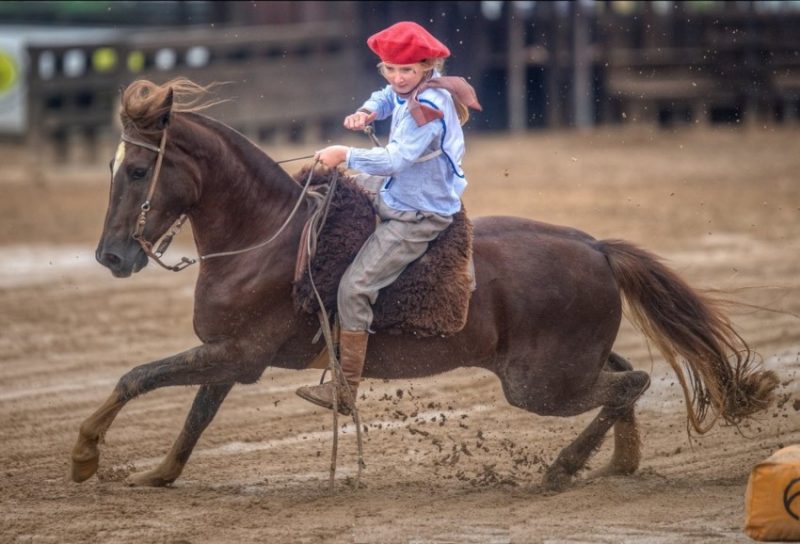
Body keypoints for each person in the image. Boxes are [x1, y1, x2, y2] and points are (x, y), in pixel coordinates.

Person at [295, 21, 482, 415]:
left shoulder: (426, 107)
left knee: (354, 288)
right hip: (396, 191)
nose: (397, 78)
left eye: (407, 71)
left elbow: (396, 160)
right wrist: (366, 111)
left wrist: (344, 153)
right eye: (390, 69)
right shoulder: (407, 89)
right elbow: (385, 97)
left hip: (418, 212)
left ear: (427, 67)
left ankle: (345, 389)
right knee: (327, 195)